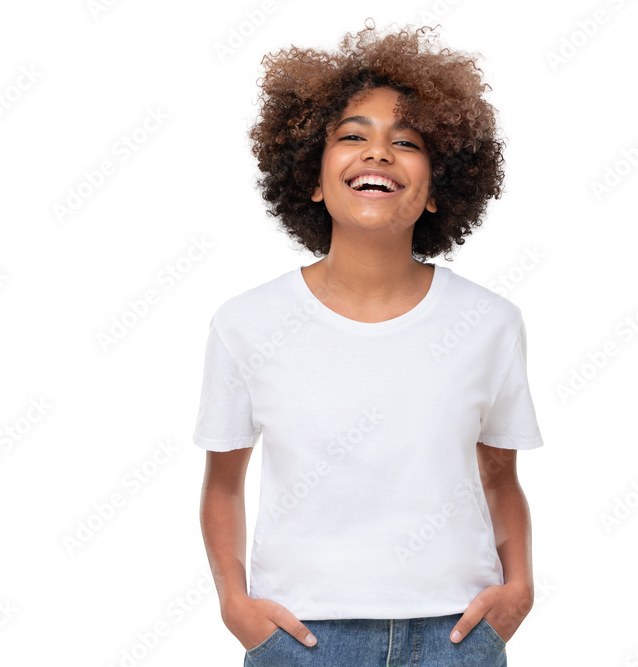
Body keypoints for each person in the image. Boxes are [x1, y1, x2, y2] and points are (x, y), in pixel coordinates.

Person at [194, 19, 544, 666]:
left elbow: (500, 475)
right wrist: (236, 607)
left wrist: (518, 590)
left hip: (457, 636)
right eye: (352, 136)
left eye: (405, 141)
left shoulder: (489, 321)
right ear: (312, 177)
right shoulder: (247, 322)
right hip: (301, 636)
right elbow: (222, 485)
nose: (378, 152)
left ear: (439, 187)